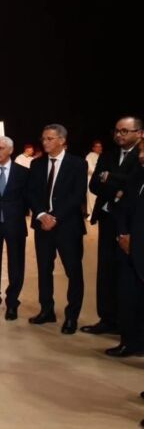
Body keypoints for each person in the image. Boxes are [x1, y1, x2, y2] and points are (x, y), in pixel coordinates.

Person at [82, 117, 143, 336]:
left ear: (139, 133)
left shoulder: (140, 156)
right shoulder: (108, 155)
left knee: (128, 274)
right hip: (108, 219)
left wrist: (111, 179)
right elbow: (94, 185)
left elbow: (134, 186)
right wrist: (116, 188)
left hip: (130, 224)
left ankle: (127, 325)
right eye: (117, 131)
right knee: (106, 271)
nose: (119, 135)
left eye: (125, 131)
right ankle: (107, 318)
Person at [28, 124, 87, 334]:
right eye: (43, 138)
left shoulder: (77, 164)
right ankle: (47, 310)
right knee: (44, 270)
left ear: (62, 140)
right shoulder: (36, 164)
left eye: (50, 138)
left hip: (68, 227)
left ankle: (71, 316)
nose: (45, 142)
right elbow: (31, 193)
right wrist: (41, 215)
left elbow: (77, 195)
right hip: (43, 226)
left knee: (74, 272)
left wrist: (56, 217)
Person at [0, 136, 29, 321]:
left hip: (15, 225)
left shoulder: (23, 173)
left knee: (16, 265)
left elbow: (28, 198)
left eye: (1, 148)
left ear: (10, 150)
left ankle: (12, 303)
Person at [112, 140, 144, 358]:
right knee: (128, 298)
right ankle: (130, 342)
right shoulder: (137, 176)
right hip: (128, 249)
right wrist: (123, 235)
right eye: (141, 150)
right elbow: (121, 207)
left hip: (139, 246)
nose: (141, 155)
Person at [85, 140, 103, 216]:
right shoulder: (90, 155)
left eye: (100, 146)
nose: (99, 148)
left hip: (98, 180)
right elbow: (89, 167)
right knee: (92, 198)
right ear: (93, 148)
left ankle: (95, 215)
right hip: (92, 180)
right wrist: (100, 174)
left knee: (96, 198)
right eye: (97, 146)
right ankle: (91, 215)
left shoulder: (100, 156)